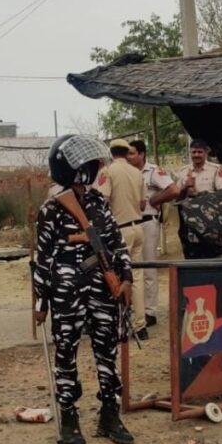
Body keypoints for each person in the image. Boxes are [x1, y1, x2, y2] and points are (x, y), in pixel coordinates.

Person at [33, 134, 135, 444]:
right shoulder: (51, 209)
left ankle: (109, 414)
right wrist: (41, 303)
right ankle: (69, 417)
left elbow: (117, 244)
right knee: (66, 352)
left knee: (107, 350)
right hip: (66, 291)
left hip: (102, 288)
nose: (90, 168)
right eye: (85, 164)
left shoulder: (98, 202)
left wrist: (126, 278)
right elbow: (41, 259)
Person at [98, 138, 148, 340]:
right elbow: (143, 204)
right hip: (138, 226)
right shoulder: (137, 172)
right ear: (127, 153)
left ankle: (121, 324)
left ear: (111, 153)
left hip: (119, 231)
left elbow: (103, 200)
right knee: (137, 277)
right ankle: (140, 325)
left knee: (118, 277)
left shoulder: (107, 172)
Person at [128, 140, 179, 327]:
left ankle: (150, 311)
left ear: (142, 154)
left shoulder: (153, 171)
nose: (128, 156)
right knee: (133, 269)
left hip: (148, 222)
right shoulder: (127, 172)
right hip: (130, 224)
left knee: (149, 268)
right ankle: (136, 309)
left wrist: (155, 200)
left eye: (132, 153)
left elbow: (173, 189)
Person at [174, 139, 222, 259]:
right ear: (190, 153)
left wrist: (200, 196)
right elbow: (177, 198)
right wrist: (185, 187)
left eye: (200, 152)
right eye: (194, 152)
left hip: (210, 220)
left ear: (206, 153)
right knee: (191, 253)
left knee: (213, 253)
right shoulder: (182, 172)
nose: (196, 155)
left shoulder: (216, 170)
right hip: (188, 221)